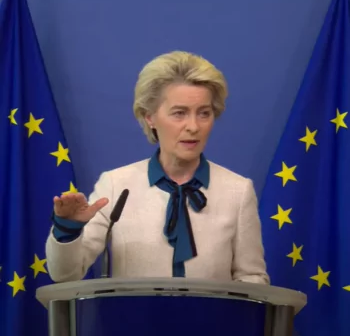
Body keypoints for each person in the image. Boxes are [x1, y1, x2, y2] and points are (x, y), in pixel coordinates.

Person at [45, 51, 270, 285]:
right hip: (134, 320)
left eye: (204, 113)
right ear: (149, 117)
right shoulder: (115, 185)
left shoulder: (238, 191)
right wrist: (68, 229)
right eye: (179, 113)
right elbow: (65, 275)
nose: (193, 126)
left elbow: (251, 276)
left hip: (213, 321)